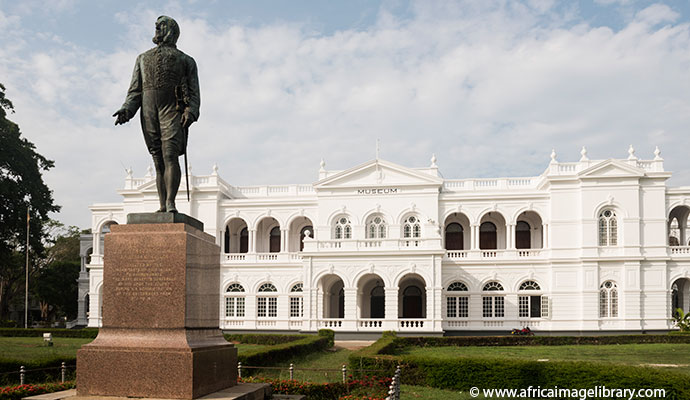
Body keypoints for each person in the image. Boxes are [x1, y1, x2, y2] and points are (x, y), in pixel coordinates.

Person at [113, 15, 200, 213]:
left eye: (161, 26)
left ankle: (170, 203)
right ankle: (162, 205)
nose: (157, 30)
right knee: (157, 158)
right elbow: (135, 90)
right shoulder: (143, 58)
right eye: (156, 27)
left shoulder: (186, 61)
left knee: (170, 155)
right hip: (149, 110)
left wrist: (191, 111)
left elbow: (194, 93)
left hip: (173, 109)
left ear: (171, 30)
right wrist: (127, 109)